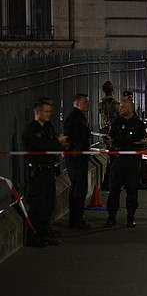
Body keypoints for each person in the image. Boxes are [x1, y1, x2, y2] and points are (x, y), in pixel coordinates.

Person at [22, 99, 68, 247]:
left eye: (50, 112)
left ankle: (44, 232)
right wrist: (57, 142)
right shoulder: (32, 130)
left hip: (49, 169)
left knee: (49, 203)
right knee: (38, 204)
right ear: (38, 112)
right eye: (46, 112)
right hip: (38, 171)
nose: (48, 115)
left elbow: (52, 143)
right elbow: (43, 146)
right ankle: (33, 236)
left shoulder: (48, 127)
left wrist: (60, 146)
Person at [104, 99, 147, 228]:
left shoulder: (138, 124)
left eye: (123, 107)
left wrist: (144, 142)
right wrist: (109, 141)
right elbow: (111, 137)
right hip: (118, 159)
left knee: (132, 190)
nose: (120, 109)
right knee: (114, 190)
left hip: (132, 162)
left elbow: (145, 139)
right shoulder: (117, 123)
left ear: (130, 108)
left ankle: (131, 218)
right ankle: (111, 217)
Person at [63, 93, 92, 230]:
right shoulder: (75, 118)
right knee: (79, 187)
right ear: (77, 103)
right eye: (85, 102)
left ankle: (77, 217)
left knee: (79, 187)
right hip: (76, 158)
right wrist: (77, 148)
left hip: (79, 157)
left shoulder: (78, 117)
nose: (88, 104)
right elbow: (73, 136)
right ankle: (76, 219)